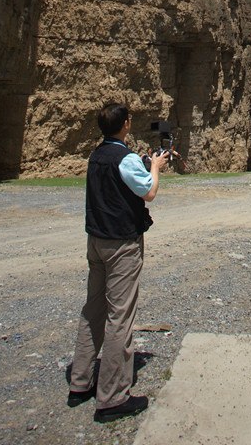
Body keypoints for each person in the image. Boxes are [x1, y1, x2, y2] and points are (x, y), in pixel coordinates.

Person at [67, 103, 169, 423]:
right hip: (121, 244)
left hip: (95, 242)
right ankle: (111, 398)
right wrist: (154, 167)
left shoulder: (96, 155)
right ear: (125, 124)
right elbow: (148, 192)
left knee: (93, 310)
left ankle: (80, 383)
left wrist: (142, 162)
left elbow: (115, 182)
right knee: (119, 317)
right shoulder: (124, 158)